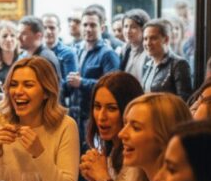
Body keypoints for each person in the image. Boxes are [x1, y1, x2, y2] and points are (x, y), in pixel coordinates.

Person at [0, 57, 80, 181]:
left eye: (28, 85)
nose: (18, 92)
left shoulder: (66, 126)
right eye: (13, 85)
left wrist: (39, 153)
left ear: (46, 92)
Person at [78, 72, 145, 181]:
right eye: (97, 106)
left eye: (112, 108)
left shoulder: (136, 153)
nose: (101, 116)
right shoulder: (112, 148)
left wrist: (103, 178)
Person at [65, 9, 120, 146]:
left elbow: (113, 87)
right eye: (85, 25)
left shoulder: (108, 54)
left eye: (93, 25)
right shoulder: (75, 50)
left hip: (94, 117)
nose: (88, 29)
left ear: (102, 27)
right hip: (74, 114)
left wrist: (82, 82)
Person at [141, 19, 193, 99]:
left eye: (153, 38)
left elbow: (184, 100)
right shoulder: (148, 65)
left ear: (166, 39)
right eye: (145, 39)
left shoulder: (179, 64)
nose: (148, 43)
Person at [18, 15, 62, 82]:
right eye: (18, 32)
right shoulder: (23, 56)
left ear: (38, 36)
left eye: (24, 33)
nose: (18, 37)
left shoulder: (45, 59)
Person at [41, 13, 79, 90]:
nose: (48, 31)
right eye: (44, 28)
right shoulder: (36, 52)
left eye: (52, 28)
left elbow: (70, 86)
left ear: (59, 29)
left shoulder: (68, 53)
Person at [119, 8, 150, 80]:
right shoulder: (125, 49)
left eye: (133, 27)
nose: (128, 31)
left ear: (144, 29)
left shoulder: (149, 51)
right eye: (126, 26)